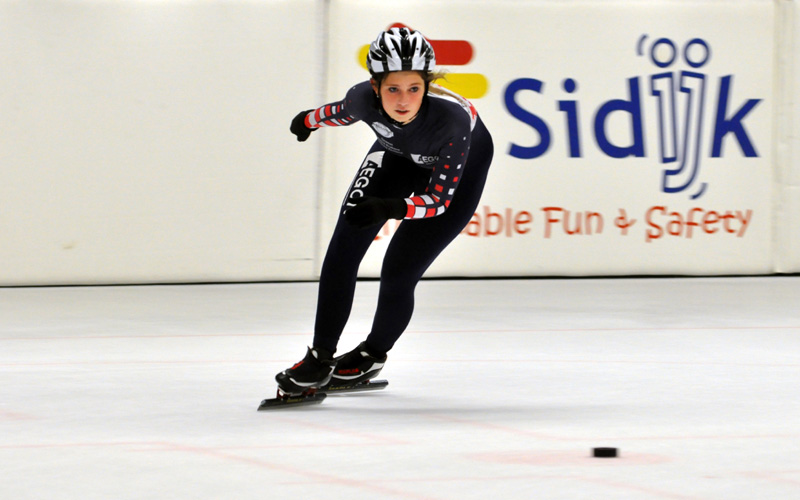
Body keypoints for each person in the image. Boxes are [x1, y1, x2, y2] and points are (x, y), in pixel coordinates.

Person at [275, 27, 494, 396]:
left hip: (458, 168)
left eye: (414, 88)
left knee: (398, 269)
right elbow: (339, 112)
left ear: (427, 85)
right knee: (344, 246)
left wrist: (392, 208)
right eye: (393, 89)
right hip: (396, 154)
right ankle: (319, 357)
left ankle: (373, 353)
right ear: (375, 86)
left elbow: (439, 201)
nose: (404, 100)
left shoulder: (453, 124)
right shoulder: (362, 99)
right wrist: (308, 120)